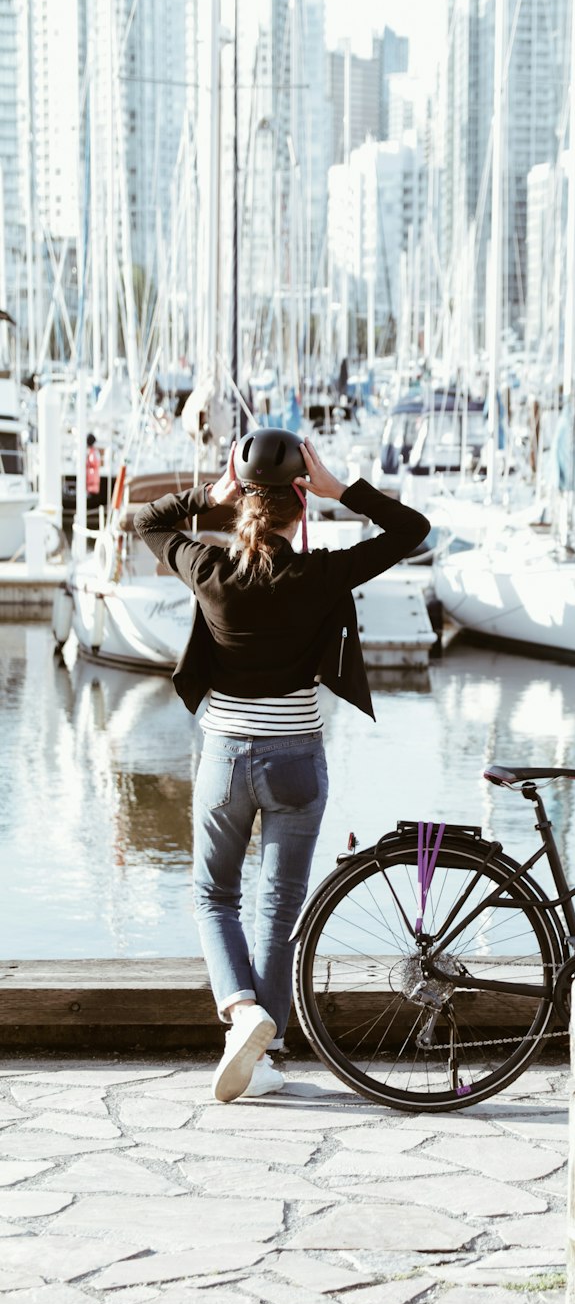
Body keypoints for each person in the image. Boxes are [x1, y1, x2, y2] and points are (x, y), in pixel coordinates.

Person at [134, 432, 430, 1103]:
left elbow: (145, 521)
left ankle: (243, 1012)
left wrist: (209, 496)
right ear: (300, 503)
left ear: (241, 500)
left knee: (214, 896)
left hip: (229, 759)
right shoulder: (321, 574)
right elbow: (412, 528)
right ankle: (266, 1055)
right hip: (299, 758)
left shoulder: (207, 568)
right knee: (279, 906)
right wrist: (341, 490)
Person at [85, 433, 102, 513]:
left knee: (91, 501)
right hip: (92, 482)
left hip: (92, 483)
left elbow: (93, 463)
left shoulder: (93, 452)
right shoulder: (94, 452)